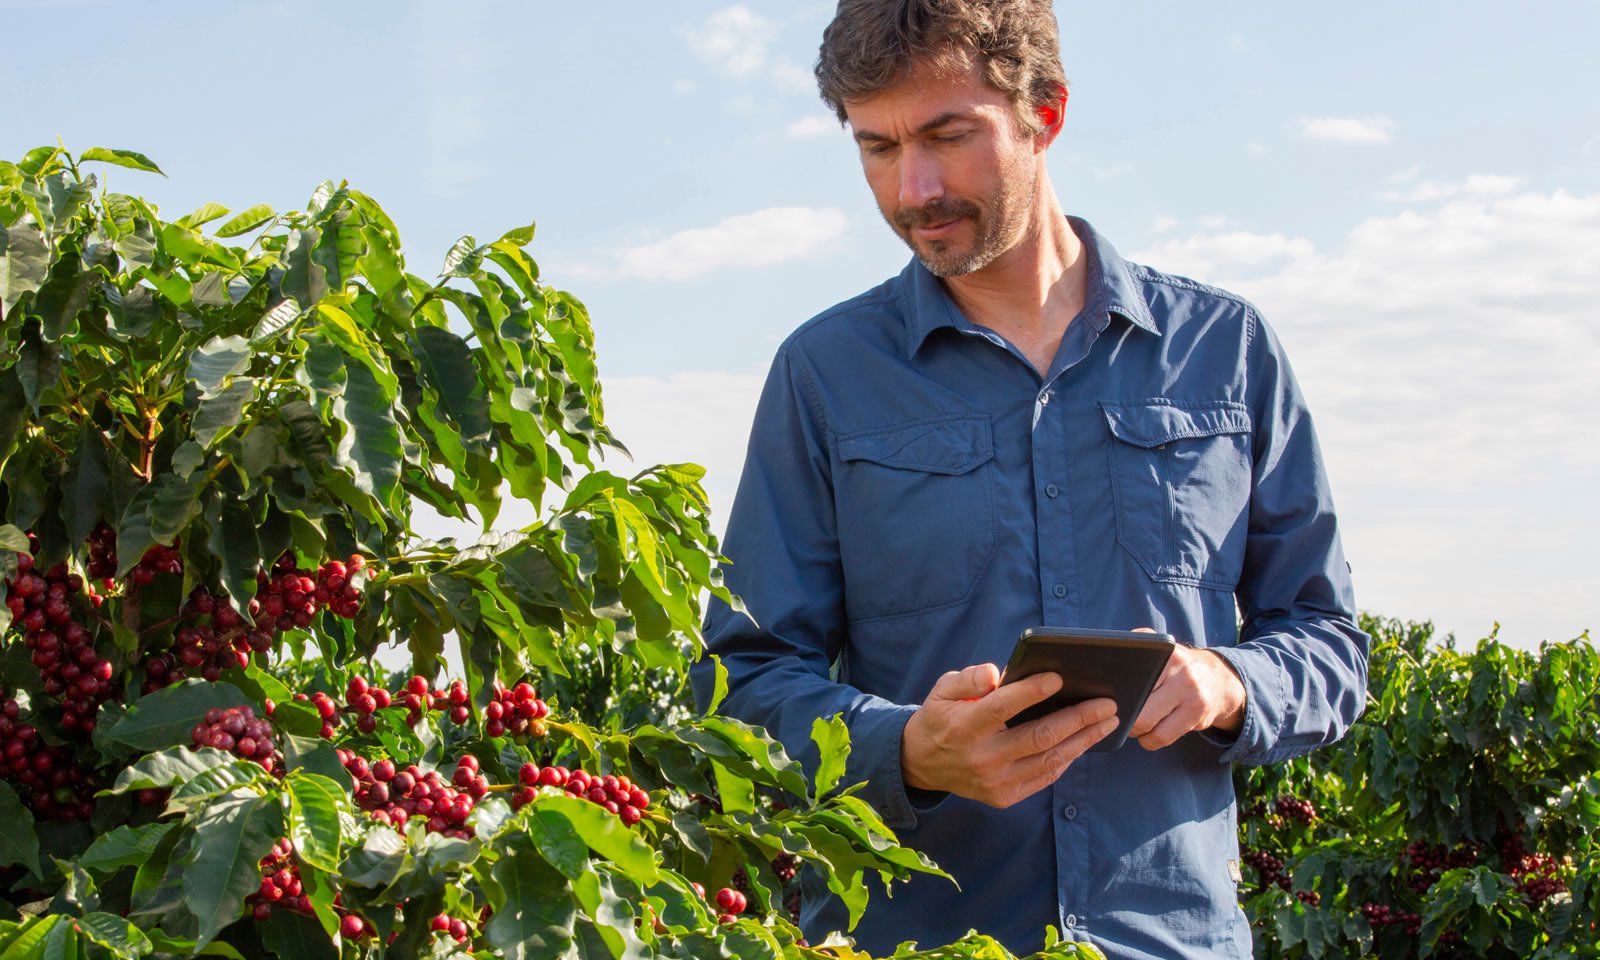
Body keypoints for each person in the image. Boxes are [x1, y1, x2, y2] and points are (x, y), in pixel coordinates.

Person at [689, 1, 1369, 956]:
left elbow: (1331, 646)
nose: (912, 188)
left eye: (946, 136)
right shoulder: (824, 373)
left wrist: (1227, 682)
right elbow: (740, 678)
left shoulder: (1228, 352)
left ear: (1046, 111)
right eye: (876, 148)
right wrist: (905, 750)